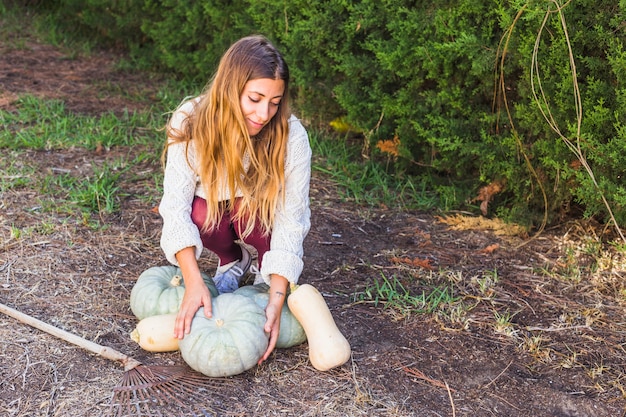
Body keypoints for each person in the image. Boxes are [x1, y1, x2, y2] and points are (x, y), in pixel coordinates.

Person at [158, 35, 311, 364]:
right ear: (231, 88)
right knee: (198, 212)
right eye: (255, 98)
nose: (263, 113)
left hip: (260, 215)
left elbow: (291, 218)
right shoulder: (191, 121)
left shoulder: (291, 135)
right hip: (214, 214)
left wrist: (277, 293)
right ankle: (232, 259)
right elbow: (175, 207)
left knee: (255, 212)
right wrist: (193, 280)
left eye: (274, 101)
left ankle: (264, 270)